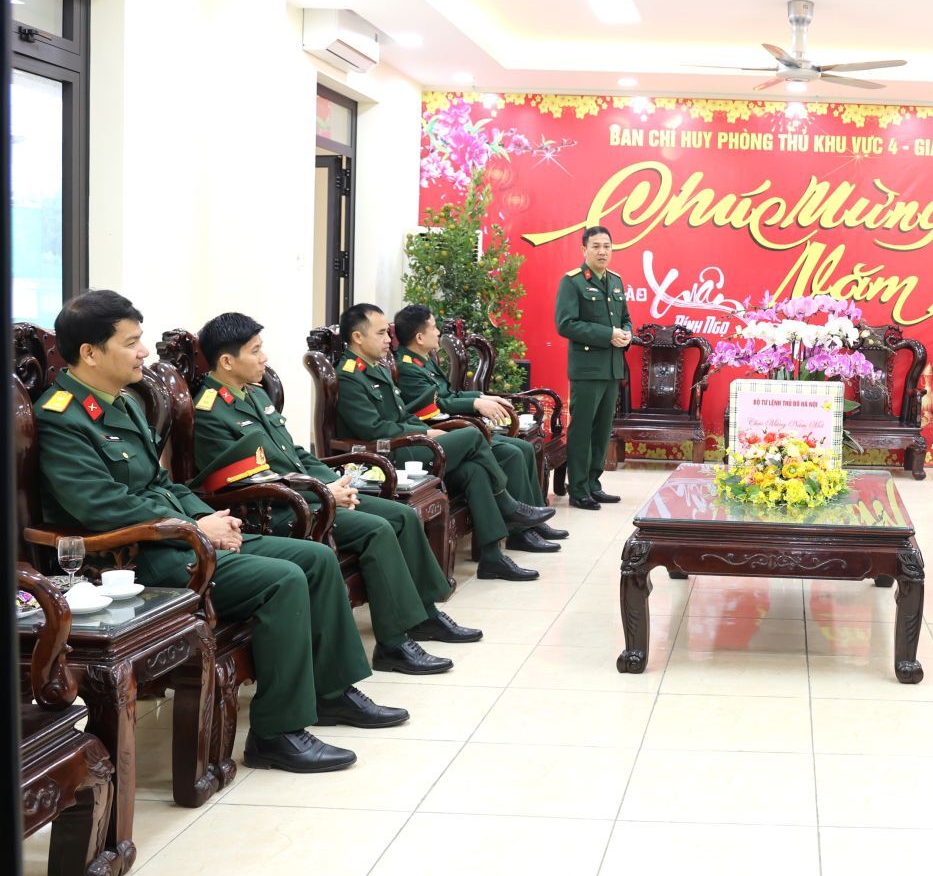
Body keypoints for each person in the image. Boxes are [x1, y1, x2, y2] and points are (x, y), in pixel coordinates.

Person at [34, 291, 408, 773]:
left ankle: (332, 693)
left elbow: (162, 483)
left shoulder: (122, 403)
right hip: (133, 559)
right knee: (283, 580)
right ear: (90, 352)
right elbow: (101, 505)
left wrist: (214, 521)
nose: (143, 352)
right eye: (131, 343)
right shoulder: (61, 416)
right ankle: (276, 734)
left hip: (178, 538)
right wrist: (195, 527)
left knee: (315, 559)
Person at [193, 312, 481, 677]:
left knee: (402, 515)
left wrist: (335, 483)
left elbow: (294, 454)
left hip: (309, 494)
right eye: (255, 351)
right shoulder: (211, 411)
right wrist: (322, 492)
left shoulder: (255, 394)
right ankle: (393, 644)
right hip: (276, 510)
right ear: (227, 361)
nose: (264, 358)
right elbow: (249, 481)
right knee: (377, 529)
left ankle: (425, 614)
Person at [334, 303, 548, 581]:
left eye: (388, 332)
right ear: (357, 337)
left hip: (408, 442)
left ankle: (492, 557)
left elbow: (403, 415)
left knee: (474, 470)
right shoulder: (349, 375)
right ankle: (507, 504)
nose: (389, 339)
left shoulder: (377, 367)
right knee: (472, 434)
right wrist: (424, 434)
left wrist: (425, 430)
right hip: (387, 454)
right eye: (381, 333)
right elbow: (374, 429)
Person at [391, 304, 566, 551]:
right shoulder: (408, 367)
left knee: (524, 448)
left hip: (451, 426)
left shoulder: (424, 359)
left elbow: (448, 394)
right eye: (434, 327)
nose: (438, 332)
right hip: (441, 429)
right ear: (419, 337)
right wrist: (475, 403)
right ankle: (519, 530)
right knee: (513, 452)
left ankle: (531, 524)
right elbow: (437, 404)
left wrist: (481, 397)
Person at [554, 225, 632, 510]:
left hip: (612, 367)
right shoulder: (572, 282)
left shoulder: (616, 281)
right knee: (583, 429)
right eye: (596, 246)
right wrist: (607, 334)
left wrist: (626, 334)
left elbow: (625, 318)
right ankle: (577, 488)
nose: (602, 252)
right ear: (584, 249)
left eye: (607, 246)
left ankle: (593, 484)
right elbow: (566, 324)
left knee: (602, 430)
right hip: (587, 369)